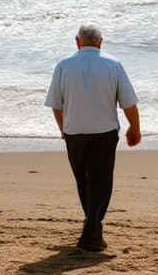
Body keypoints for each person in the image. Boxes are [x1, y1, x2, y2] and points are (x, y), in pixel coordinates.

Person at [45, 23, 141, 252]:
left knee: (83, 182)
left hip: (74, 132)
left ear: (77, 42)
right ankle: (92, 232)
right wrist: (134, 128)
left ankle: (92, 230)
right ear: (101, 42)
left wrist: (63, 130)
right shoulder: (113, 64)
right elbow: (128, 102)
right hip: (104, 132)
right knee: (101, 182)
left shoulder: (63, 65)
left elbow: (56, 106)